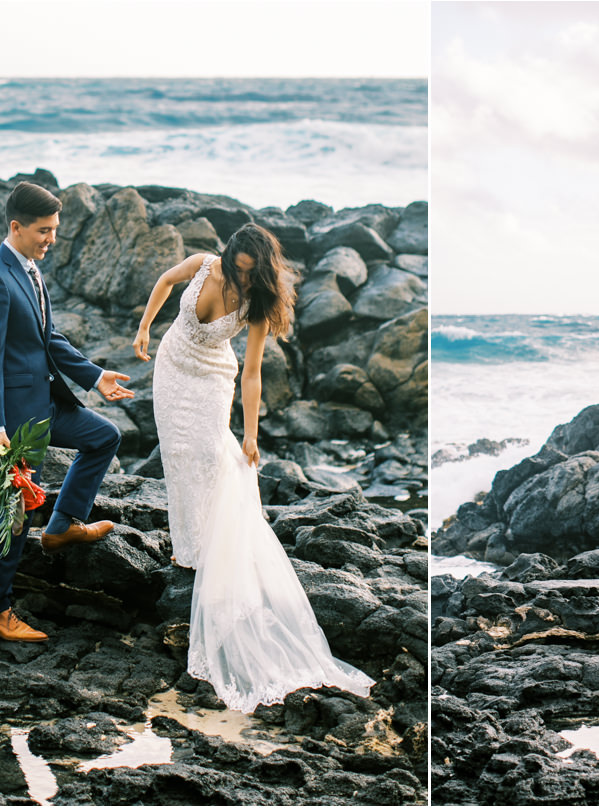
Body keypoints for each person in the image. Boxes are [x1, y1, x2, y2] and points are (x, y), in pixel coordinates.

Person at [133, 222, 374, 712]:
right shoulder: (203, 264)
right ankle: (190, 548)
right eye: (236, 269)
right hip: (171, 367)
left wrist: (250, 433)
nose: (241, 279)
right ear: (228, 256)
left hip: (211, 380)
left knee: (209, 455)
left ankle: (211, 547)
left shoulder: (257, 304)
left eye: (250, 273)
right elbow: (164, 281)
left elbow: (253, 371)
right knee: (177, 456)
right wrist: (144, 327)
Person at [0, 181, 135, 642]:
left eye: (55, 229)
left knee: (103, 437)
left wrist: (95, 376)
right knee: (14, 512)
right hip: (16, 420)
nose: (52, 239)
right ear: (16, 227)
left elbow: (49, 338)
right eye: (44, 230)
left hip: (47, 404)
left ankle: (62, 527)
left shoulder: (30, 270)